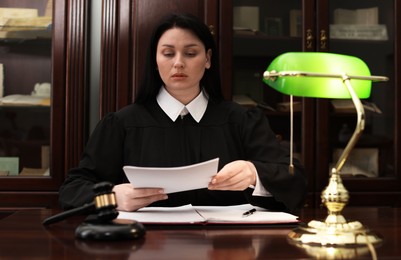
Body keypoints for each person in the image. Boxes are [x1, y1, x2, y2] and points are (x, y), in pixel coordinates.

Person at [59, 13, 307, 214]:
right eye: (168, 54)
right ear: (155, 62)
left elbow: (294, 180)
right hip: (145, 245)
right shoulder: (122, 124)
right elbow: (73, 188)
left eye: (190, 53)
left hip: (227, 248)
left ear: (208, 59)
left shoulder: (241, 119)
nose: (178, 63)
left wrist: (254, 174)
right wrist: (112, 197)